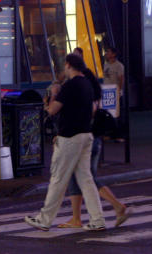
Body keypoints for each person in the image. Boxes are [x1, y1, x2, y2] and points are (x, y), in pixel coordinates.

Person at [24, 53, 106, 232]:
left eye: (64, 66)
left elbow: (52, 110)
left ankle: (45, 219)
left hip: (69, 137)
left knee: (58, 178)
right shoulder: (87, 84)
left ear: (68, 65)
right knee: (86, 179)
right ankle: (97, 219)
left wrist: (53, 94)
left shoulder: (70, 86)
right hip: (86, 135)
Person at [57, 64, 130, 229]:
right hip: (92, 140)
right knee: (77, 178)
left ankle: (117, 205)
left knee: (87, 177)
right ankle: (76, 218)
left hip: (85, 140)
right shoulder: (91, 93)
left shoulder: (86, 97)